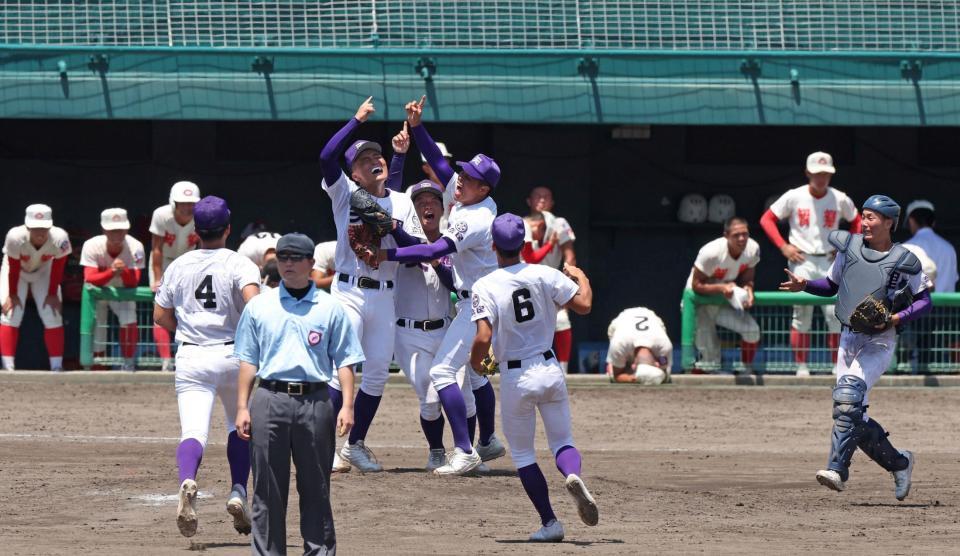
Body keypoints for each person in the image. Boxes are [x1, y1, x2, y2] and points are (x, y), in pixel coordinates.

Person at [374, 96, 506, 475]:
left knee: (444, 374)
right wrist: (417, 129)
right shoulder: (468, 196)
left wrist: (387, 253)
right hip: (473, 302)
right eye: (463, 174)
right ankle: (484, 443)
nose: (460, 180)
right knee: (472, 376)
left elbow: (434, 249)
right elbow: (440, 164)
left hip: (476, 303)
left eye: (471, 179)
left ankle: (465, 450)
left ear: (485, 190)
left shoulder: (476, 216)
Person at [780, 194, 932, 499]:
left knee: (849, 398)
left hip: (879, 340)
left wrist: (895, 318)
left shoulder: (904, 259)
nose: (865, 222)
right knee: (851, 414)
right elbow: (831, 286)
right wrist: (806, 285)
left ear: (889, 222)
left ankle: (837, 469)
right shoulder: (849, 249)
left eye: (872, 217)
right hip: (848, 337)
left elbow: (925, 301)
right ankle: (900, 463)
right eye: (863, 216)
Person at [469, 213, 597, 542]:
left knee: (524, 455)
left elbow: (483, 337)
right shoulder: (544, 273)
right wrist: (580, 275)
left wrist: (476, 364)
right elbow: (583, 305)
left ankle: (550, 522)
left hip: (516, 375)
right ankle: (571, 473)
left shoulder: (485, 284)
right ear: (525, 244)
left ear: (494, 246)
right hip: (550, 367)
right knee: (563, 442)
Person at [235, 233, 362, 555]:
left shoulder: (330, 308)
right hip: (269, 399)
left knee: (317, 486)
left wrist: (347, 405)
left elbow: (346, 360)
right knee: (266, 489)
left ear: (310, 264)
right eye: (283, 257)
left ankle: (319, 551)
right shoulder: (260, 306)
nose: (288, 264)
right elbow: (248, 360)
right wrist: (242, 407)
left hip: (315, 401)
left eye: (295, 258)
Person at [318, 96, 421, 473]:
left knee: (377, 372)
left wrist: (390, 229)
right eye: (363, 160)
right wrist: (356, 121)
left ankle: (354, 445)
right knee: (340, 366)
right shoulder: (344, 192)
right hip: (348, 291)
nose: (373, 161)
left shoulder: (402, 201)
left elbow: (418, 250)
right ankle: (324, 447)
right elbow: (328, 158)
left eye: (376, 157)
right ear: (354, 175)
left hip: (385, 295)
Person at [152, 196, 261, 538]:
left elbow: (159, 315)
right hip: (233, 355)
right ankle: (238, 491)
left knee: (193, 432)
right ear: (228, 228)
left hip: (191, 355)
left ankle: (188, 479)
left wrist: (186, 331)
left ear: (195, 231)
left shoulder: (179, 265)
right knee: (239, 426)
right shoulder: (239, 263)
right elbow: (255, 305)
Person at [392, 180, 479, 471]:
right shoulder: (402, 239)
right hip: (408, 333)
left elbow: (452, 282)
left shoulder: (453, 244)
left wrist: (434, 257)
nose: (427, 205)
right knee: (429, 398)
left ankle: (466, 452)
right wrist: (402, 236)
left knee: (464, 395)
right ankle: (437, 450)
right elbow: (405, 248)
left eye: (433, 201)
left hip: (445, 328)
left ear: (443, 208)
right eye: (420, 202)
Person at [760, 152, 860, 376]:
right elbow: (767, 219)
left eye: (825, 173)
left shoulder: (839, 197)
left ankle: (837, 366)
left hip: (829, 258)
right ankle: (801, 366)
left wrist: (846, 245)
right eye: (817, 173)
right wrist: (783, 246)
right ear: (807, 173)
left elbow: (857, 221)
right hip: (801, 257)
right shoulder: (794, 196)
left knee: (835, 314)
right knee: (802, 313)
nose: (821, 178)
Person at [0, 204, 72, 371]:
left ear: (50, 226)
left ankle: (56, 367)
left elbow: (59, 267)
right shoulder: (15, 236)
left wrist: (53, 293)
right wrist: (12, 294)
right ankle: (9, 368)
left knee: (52, 313)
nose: (40, 232)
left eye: (44, 227)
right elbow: (14, 267)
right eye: (35, 228)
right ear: (27, 226)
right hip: (16, 272)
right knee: (11, 312)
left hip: (44, 270)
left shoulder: (60, 237)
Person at [686, 217, 761, 374]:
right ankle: (691, 381)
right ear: (726, 235)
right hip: (699, 305)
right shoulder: (711, 252)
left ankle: (745, 367)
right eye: (736, 235)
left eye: (745, 234)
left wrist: (749, 290)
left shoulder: (752, 248)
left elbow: (748, 278)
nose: (741, 238)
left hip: (723, 302)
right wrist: (721, 287)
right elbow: (696, 285)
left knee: (752, 331)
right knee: (711, 361)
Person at [80, 208, 145, 370]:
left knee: (129, 320)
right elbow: (89, 277)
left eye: (120, 230)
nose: (117, 234)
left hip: (122, 289)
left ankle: (129, 363)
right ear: (104, 230)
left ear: (126, 229)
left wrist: (122, 272)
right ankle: (96, 367)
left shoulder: (135, 246)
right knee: (98, 326)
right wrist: (112, 272)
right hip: (98, 291)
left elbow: (134, 282)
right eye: (112, 230)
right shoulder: (92, 245)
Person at [523, 187, 578, 373]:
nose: (542, 199)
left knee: (561, 321)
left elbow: (570, 256)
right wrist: (549, 244)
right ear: (529, 201)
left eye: (546, 196)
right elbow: (530, 258)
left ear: (552, 203)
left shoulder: (558, 223)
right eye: (537, 196)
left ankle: (562, 371)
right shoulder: (520, 223)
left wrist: (567, 284)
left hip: (550, 280)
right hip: (524, 281)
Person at [150, 181, 201, 371]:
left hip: (189, 261)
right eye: (183, 202)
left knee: (190, 308)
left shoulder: (201, 216)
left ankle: (188, 357)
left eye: (191, 203)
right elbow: (156, 249)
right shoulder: (161, 215)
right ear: (174, 202)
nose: (188, 207)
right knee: (162, 309)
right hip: (165, 260)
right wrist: (157, 277)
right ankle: (166, 360)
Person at [605, 307, 673, 384]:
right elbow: (617, 376)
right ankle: (613, 364)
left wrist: (660, 371)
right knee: (612, 375)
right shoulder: (618, 345)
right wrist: (633, 379)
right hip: (623, 318)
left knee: (666, 375)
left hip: (651, 316)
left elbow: (663, 367)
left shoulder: (664, 348)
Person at [905, 200, 957, 293]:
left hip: (919, 306)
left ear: (911, 221)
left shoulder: (905, 248)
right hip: (946, 307)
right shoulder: (949, 249)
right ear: (933, 222)